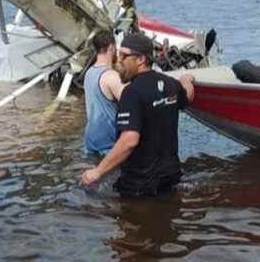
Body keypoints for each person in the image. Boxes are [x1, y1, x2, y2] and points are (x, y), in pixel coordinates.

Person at [81, 31, 195, 196]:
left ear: (141, 59)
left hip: (139, 184)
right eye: (119, 54)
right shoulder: (171, 85)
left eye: (124, 56)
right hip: (170, 178)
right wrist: (186, 79)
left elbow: (129, 140)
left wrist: (97, 171)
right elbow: (187, 96)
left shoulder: (131, 93)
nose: (119, 60)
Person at [83, 30, 124, 156]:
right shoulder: (111, 76)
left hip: (90, 139)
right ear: (112, 47)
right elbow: (132, 103)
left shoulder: (89, 73)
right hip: (108, 144)